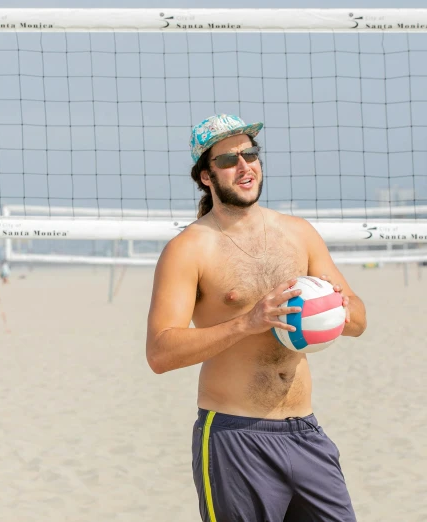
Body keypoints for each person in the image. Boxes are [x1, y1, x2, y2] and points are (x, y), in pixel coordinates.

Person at [146, 114, 367, 522]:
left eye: (250, 154)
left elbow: (359, 320)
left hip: (306, 433)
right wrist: (247, 322)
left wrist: (337, 306)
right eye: (229, 160)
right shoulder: (189, 249)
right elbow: (160, 353)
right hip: (235, 436)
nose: (245, 165)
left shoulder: (299, 233)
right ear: (206, 177)